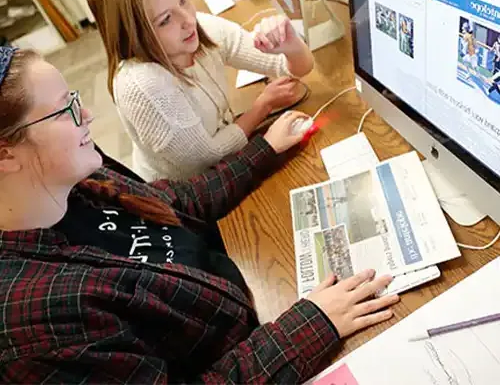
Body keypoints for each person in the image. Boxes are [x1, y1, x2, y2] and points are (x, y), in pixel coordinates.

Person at [0, 46, 399, 383]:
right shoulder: (35, 328)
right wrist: (310, 324)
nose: (87, 114)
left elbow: (174, 203)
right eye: (64, 110)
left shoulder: (76, 180)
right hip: (265, 344)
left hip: (251, 304)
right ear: (6, 153)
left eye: (75, 98)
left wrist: (266, 150)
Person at [86, 0, 315, 182]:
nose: (188, 19)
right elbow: (206, 160)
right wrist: (262, 106)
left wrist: (291, 45)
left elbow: (290, 67)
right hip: (193, 194)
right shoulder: (142, 84)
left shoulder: (198, 28)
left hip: (226, 161)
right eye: (166, 19)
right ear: (132, 35)